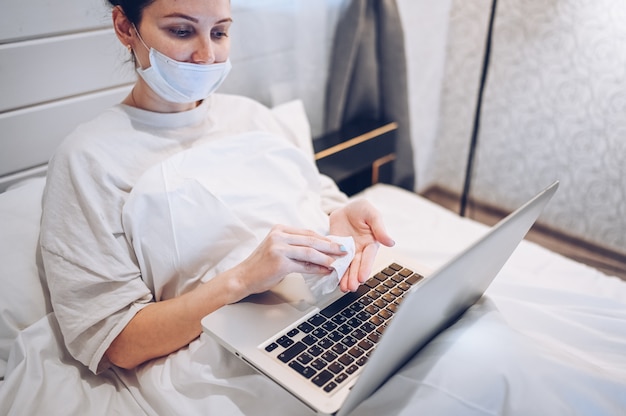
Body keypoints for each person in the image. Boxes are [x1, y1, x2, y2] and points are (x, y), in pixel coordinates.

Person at [39, 0, 394, 389]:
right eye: (181, 31)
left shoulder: (253, 117)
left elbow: (318, 195)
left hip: (328, 311)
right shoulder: (89, 157)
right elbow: (117, 342)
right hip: (217, 358)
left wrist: (337, 218)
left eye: (220, 32)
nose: (207, 55)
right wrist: (242, 279)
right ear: (126, 27)